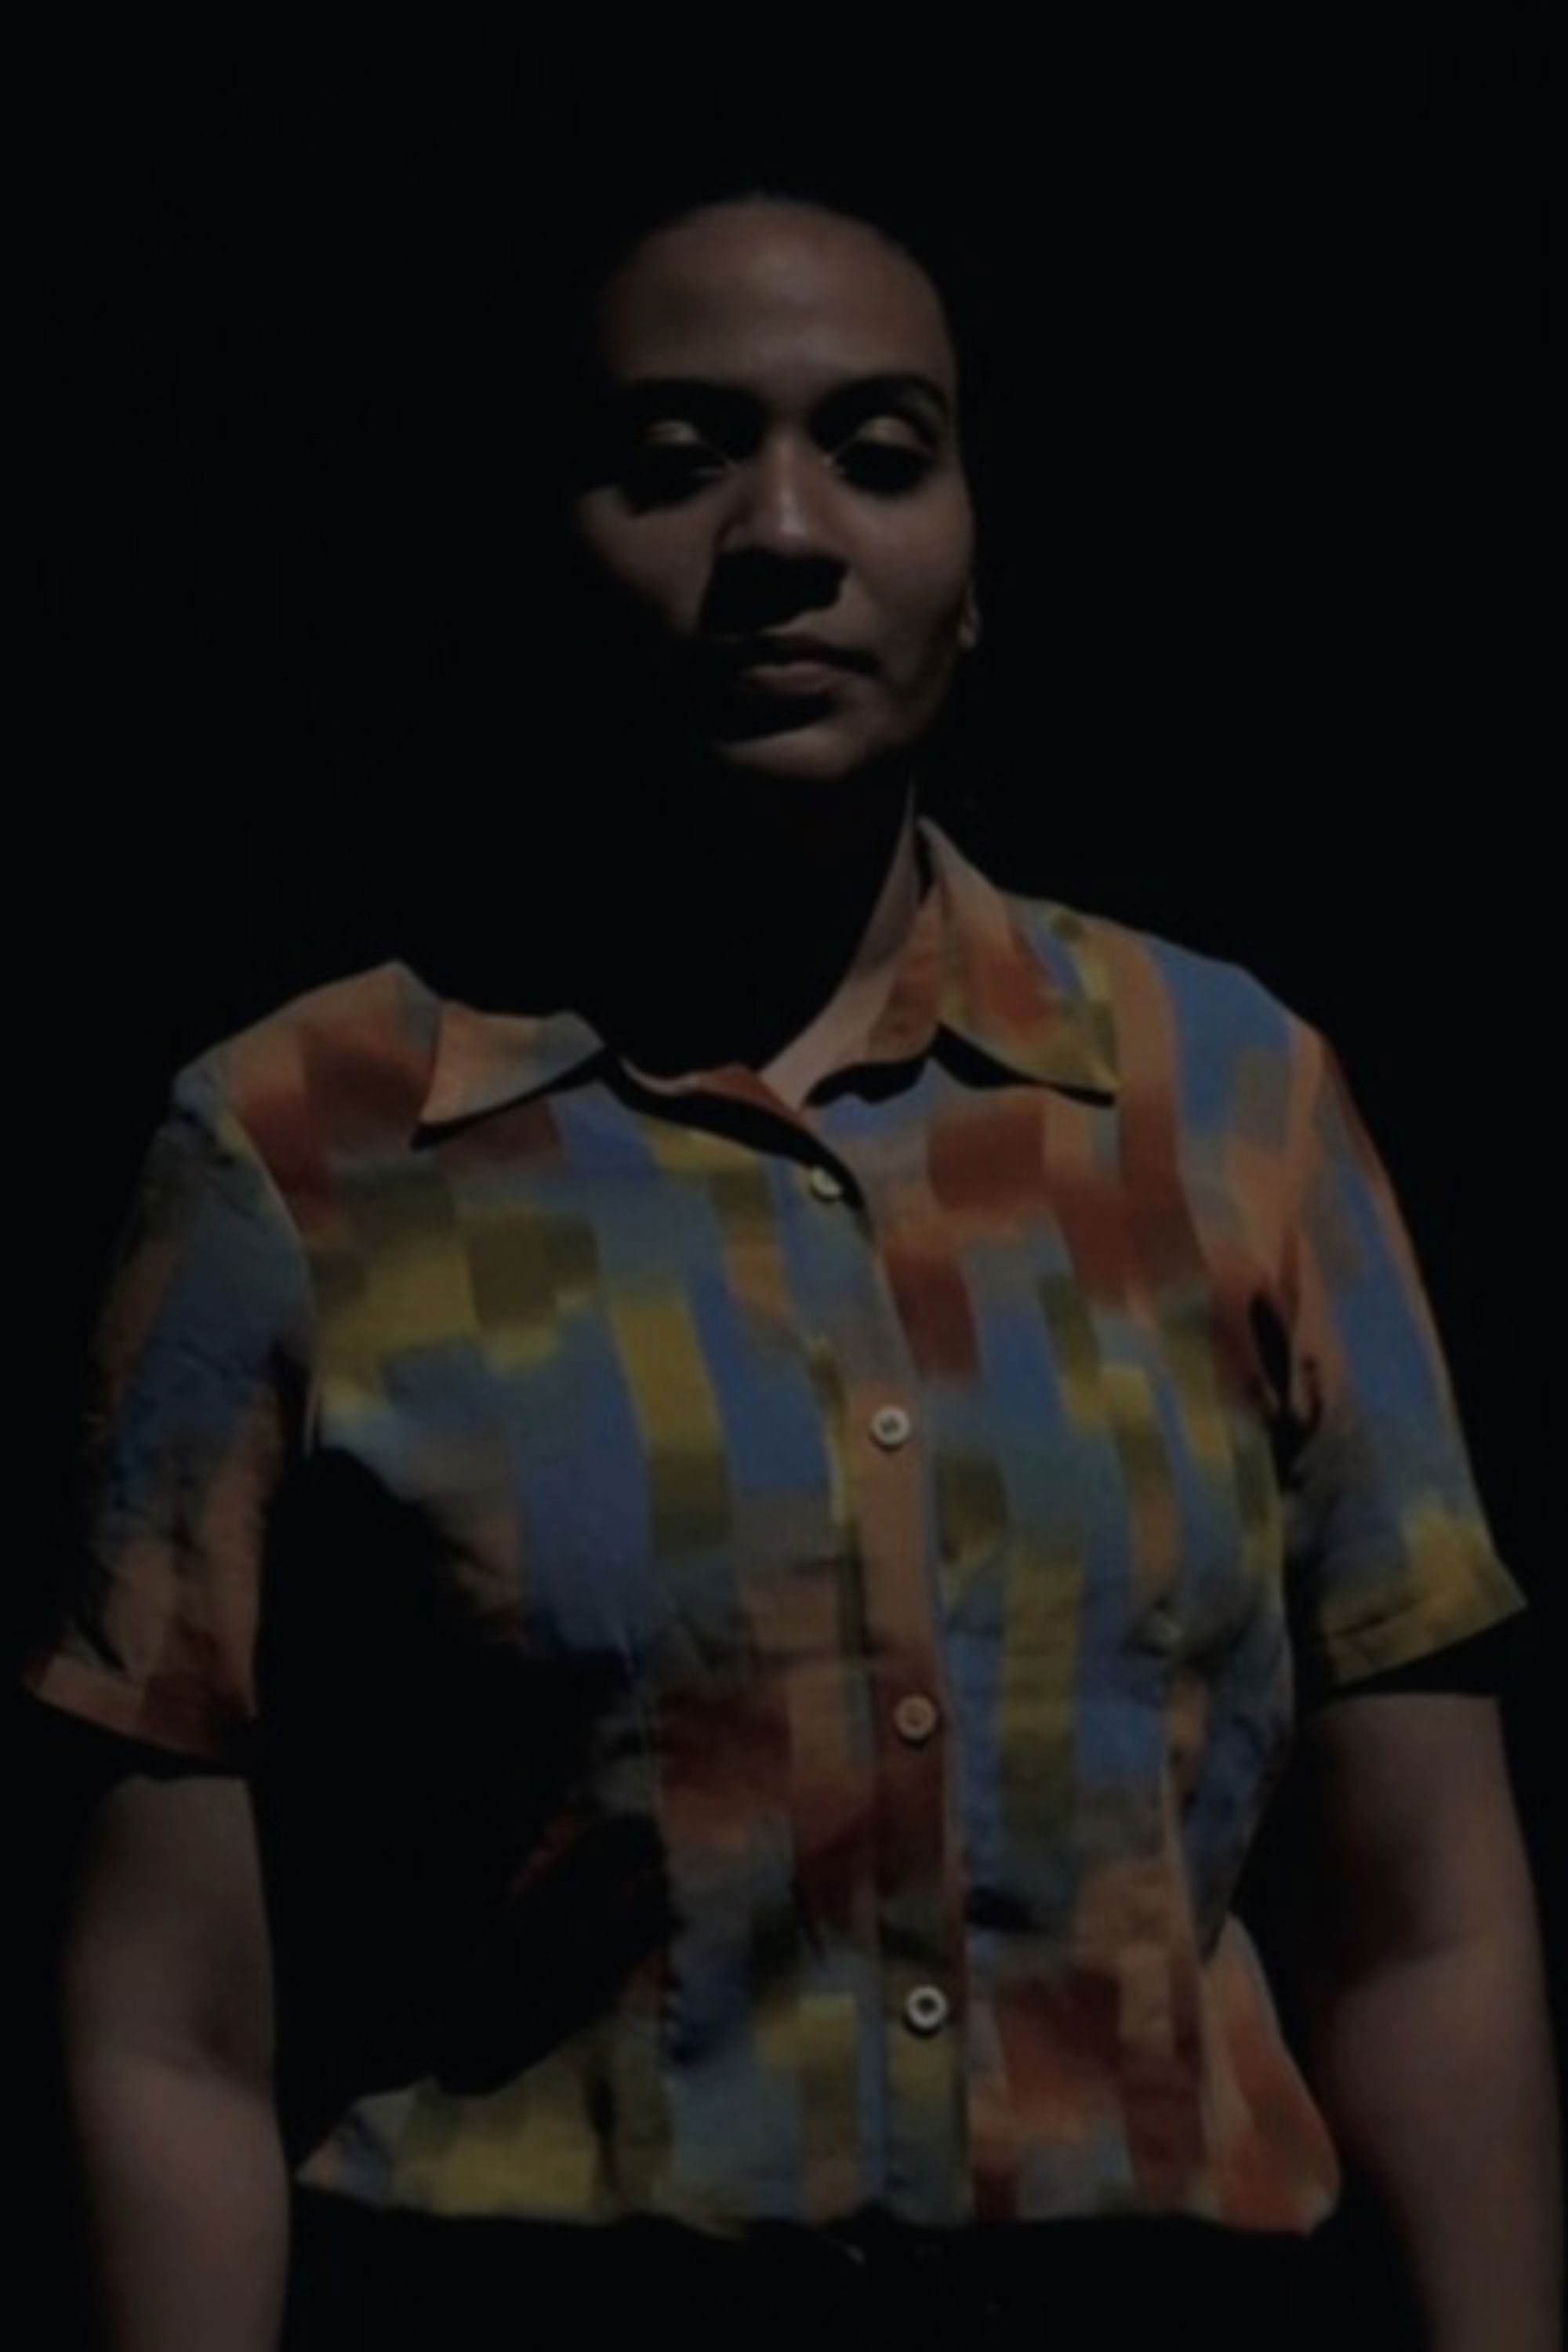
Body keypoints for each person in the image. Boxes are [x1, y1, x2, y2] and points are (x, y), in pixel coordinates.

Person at [20, 93, 1561, 2352]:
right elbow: (168, 2020)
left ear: (974, 554)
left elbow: (1424, 1922)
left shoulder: (1229, 1101)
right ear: (533, 545)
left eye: (878, 450)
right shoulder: (300, 1150)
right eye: (675, 457)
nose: (782, 534)